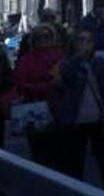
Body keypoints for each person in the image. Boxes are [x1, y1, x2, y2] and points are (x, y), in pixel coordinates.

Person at [52, 29, 104, 192]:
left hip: (99, 117)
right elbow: (61, 82)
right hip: (75, 119)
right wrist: (77, 60)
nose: (84, 44)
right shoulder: (66, 63)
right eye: (80, 40)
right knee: (75, 160)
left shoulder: (99, 62)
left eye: (87, 41)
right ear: (74, 43)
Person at [14, 25, 63, 169]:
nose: (44, 40)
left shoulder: (60, 56)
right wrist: (47, 86)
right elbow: (21, 85)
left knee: (60, 152)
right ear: (33, 40)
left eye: (47, 36)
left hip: (59, 109)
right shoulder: (26, 60)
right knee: (40, 153)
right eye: (39, 37)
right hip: (36, 109)